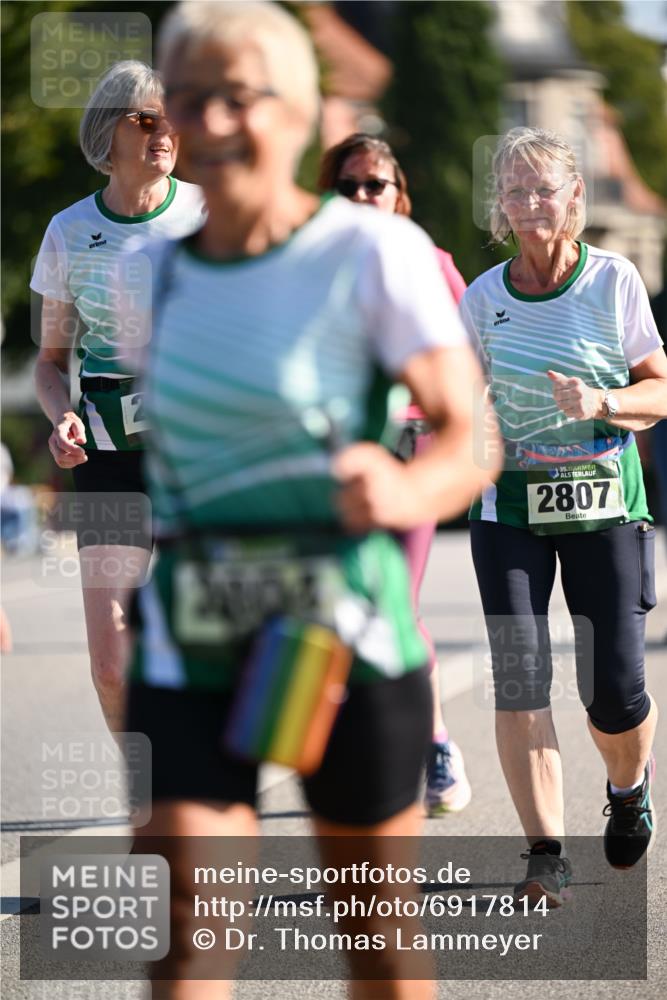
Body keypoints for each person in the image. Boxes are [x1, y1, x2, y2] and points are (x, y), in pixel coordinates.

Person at [127, 2, 500, 996]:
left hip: (347, 631)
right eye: (187, 99)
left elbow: (471, 441)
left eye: (234, 98)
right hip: (196, 635)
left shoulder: (369, 254)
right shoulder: (158, 276)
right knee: (187, 936)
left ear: (297, 116)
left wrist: (400, 484)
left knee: (375, 949)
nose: (205, 123)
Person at [460, 126, 667, 905]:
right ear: (499, 207)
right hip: (506, 509)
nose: (528, 202)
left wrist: (605, 401)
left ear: (573, 196)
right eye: (513, 190)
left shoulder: (612, 280)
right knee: (519, 682)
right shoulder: (481, 299)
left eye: (543, 188)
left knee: (612, 691)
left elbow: (660, 388)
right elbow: (456, 398)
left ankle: (626, 787)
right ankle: (543, 852)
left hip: (605, 505)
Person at [31, 61, 204, 732]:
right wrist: (61, 416)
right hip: (108, 455)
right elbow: (51, 362)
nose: (165, 131)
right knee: (110, 659)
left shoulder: (206, 212)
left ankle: (196, 792)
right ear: (109, 133)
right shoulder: (70, 231)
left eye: (173, 117)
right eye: (146, 118)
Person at [317, 133, 472, 815]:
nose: (360, 196)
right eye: (347, 185)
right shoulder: (309, 267)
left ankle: (435, 744)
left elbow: (469, 359)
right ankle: (338, 745)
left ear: (397, 194)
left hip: (409, 452)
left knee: (395, 605)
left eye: (373, 184)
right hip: (337, 462)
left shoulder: (427, 261)